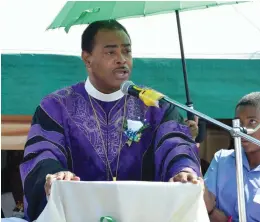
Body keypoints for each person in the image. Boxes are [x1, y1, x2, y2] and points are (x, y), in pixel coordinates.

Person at [19, 20, 203, 221]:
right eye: (111, 52)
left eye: (127, 51)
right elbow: (44, 150)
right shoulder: (56, 106)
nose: (121, 59)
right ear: (87, 59)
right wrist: (54, 174)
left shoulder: (154, 106)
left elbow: (175, 143)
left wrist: (183, 169)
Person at [204, 92, 260, 222]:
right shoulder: (222, 160)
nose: (242, 129)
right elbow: (205, 207)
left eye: (252, 121)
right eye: (238, 123)